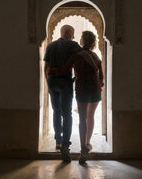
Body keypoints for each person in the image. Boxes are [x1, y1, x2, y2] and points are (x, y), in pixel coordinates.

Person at [49, 31, 104, 164]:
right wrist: (99, 85)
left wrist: (52, 72)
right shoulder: (96, 56)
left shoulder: (77, 56)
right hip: (95, 90)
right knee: (90, 117)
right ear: (94, 42)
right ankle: (88, 143)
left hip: (82, 90)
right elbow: (101, 77)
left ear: (82, 41)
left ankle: (83, 149)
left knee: (82, 119)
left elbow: (65, 70)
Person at [44, 25, 82, 162]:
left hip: (52, 81)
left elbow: (45, 68)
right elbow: (83, 56)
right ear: (68, 33)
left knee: (56, 111)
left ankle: (58, 142)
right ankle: (65, 145)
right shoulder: (73, 45)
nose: (73, 36)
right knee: (67, 113)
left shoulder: (50, 46)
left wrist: (48, 84)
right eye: (72, 33)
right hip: (65, 83)